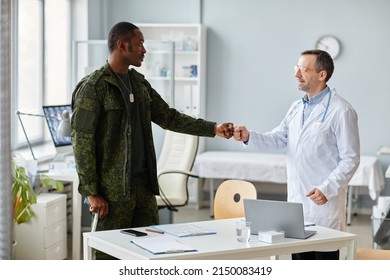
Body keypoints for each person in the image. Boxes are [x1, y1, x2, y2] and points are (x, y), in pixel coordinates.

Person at [71, 21, 233, 259]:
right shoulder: (93, 88)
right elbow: (81, 143)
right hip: (112, 195)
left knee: (150, 253)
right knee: (109, 258)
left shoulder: (140, 84)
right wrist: (91, 192)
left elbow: (169, 117)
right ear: (122, 44)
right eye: (140, 44)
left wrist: (213, 128)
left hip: (144, 189)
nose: (144, 50)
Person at [233, 49, 360, 260]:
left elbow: (351, 159)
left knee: (323, 265)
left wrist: (327, 188)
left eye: (304, 69)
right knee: (299, 263)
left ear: (322, 75)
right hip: (297, 204)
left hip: (323, 203)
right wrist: (248, 136)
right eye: (296, 68)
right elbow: (278, 139)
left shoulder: (341, 111)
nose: (297, 74)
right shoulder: (295, 108)